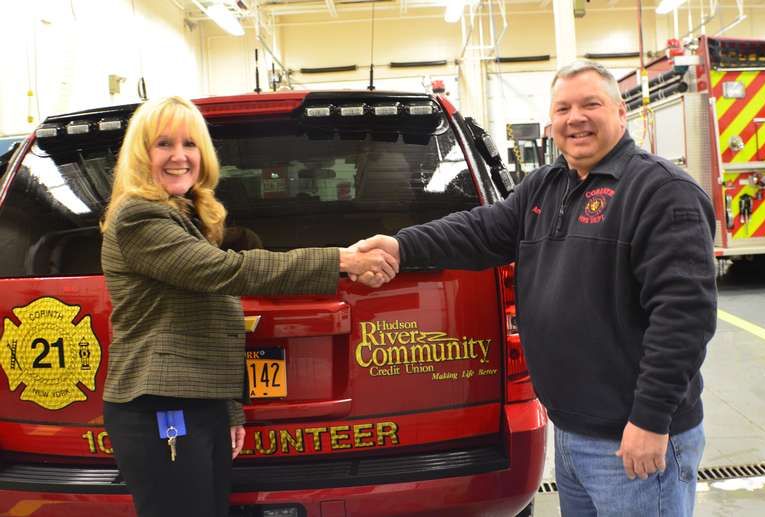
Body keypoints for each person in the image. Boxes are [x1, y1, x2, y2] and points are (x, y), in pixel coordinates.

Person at [352, 61, 717, 516]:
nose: (575, 118)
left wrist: (650, 419)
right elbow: (480, 230)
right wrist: (401, 247)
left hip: (631, 438)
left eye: (590, 104)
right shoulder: (546, 185)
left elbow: (684, 317)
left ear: (621, 112)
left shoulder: (662, 192)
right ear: (551, 121)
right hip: (572, 432)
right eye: (563, 108)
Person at [99, 95, 398, 517]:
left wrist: (227, 407)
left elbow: (205, 312)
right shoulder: (139, 217)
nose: (180, 156)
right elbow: (224, 272)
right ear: (139, 154)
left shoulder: (182, 216)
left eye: (190, 144)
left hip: (195, 402)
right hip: (160, 406)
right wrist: (340, 261)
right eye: (164, 144)